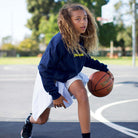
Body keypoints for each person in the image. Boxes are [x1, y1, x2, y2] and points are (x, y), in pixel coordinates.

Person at [20, 3, 114, 138]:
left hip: (69, 75)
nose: (83, 22)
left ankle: (86, 136)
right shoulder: (59, 41)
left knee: (82, 93)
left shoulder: (81, 39)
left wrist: (104, 69)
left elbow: (85, 59)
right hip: (50, 77)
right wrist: (55, 94)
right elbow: (44, 69)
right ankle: (29, 119)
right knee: (41, 120)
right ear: (68, 21)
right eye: (78, 19)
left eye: (85, 18)